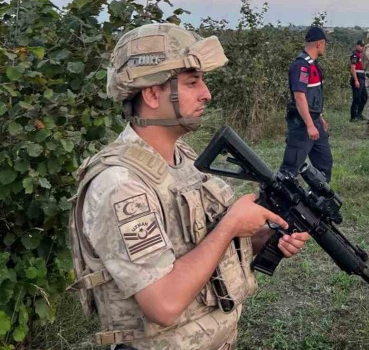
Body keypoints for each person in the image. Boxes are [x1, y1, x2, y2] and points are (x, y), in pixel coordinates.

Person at [68, 23, 310, 350]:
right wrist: (230, 226)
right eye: (192, 83)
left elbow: (198, 248)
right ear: (152, 93)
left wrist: (262, 237)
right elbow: (163, 304)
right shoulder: (119, 185)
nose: (206, 93)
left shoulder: (183, 159)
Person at [279, 26, 333, 181]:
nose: (325, 47)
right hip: (302, 125)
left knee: (324, 165)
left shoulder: (314, 65)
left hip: (315, 120)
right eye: (325, 44)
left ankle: (318, 201)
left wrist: (319, 118)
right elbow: (300, 97)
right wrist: (310, 125)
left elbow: (313, 95)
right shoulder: (301, 66)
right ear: (319, 44)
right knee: (290, 169)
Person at [349, 39, 368, 122]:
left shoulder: (362, 55)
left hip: (363, 77)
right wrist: (356, 80)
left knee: (364, 97)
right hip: (357, 77)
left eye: (363, 46)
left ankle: (359, 114)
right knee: (356, 98)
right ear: (357, 45)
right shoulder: (355, 55)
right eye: (360, 45)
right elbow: (352, 68)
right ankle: (353, 117)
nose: (361, 47)